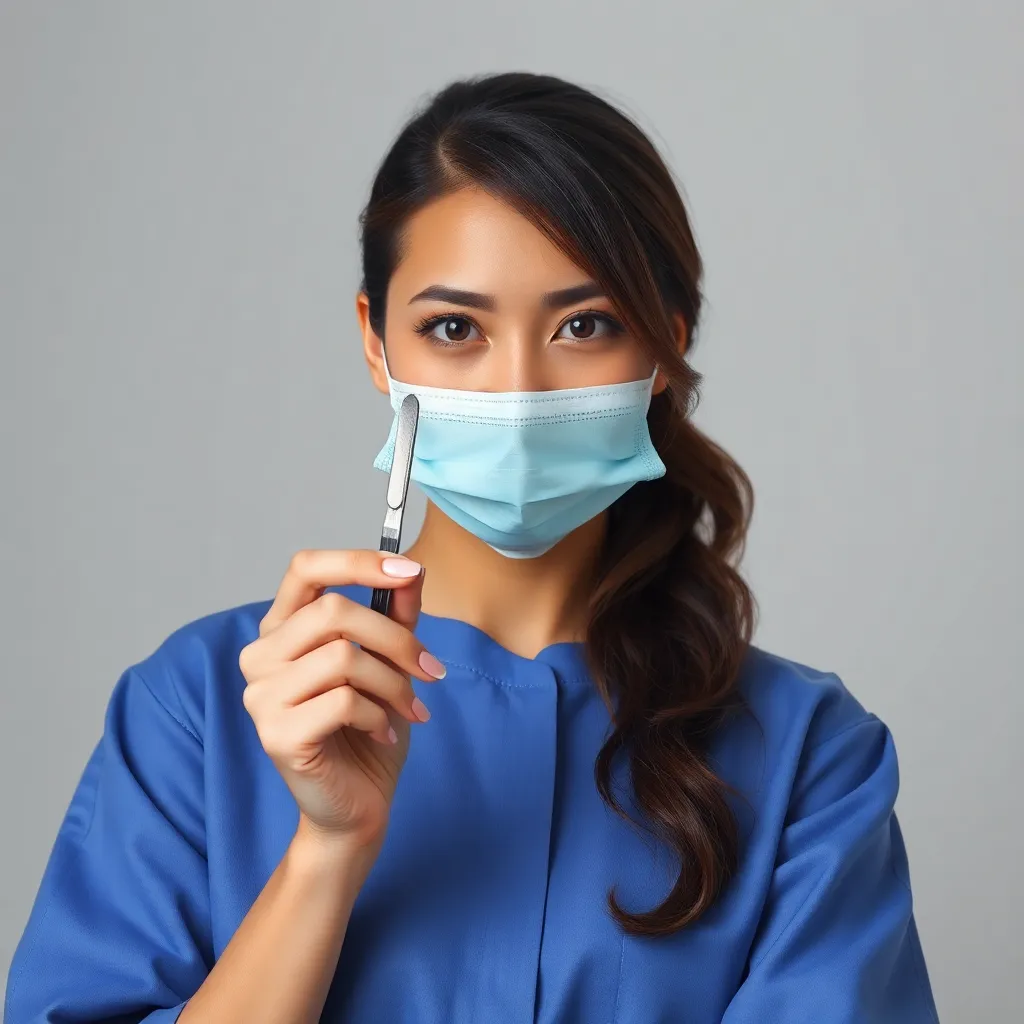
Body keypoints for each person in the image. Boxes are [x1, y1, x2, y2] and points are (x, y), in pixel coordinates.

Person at [4, 71, 940, 1023]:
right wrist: (327, 853)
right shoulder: (201, 707)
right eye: (454, 328)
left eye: (587, 324)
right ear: (377, 345)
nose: (519, 389)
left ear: (665, 346)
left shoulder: (805, 755)